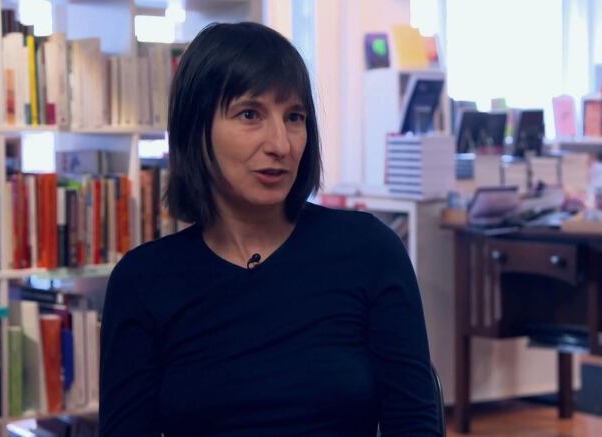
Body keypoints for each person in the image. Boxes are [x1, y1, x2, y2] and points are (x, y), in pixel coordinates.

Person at [99, 22, 440, 436]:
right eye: (249, 114)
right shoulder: (144, 281)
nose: (281, 143)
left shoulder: (369, 251)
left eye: (294, 116)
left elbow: (416, 424)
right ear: (195, 128)